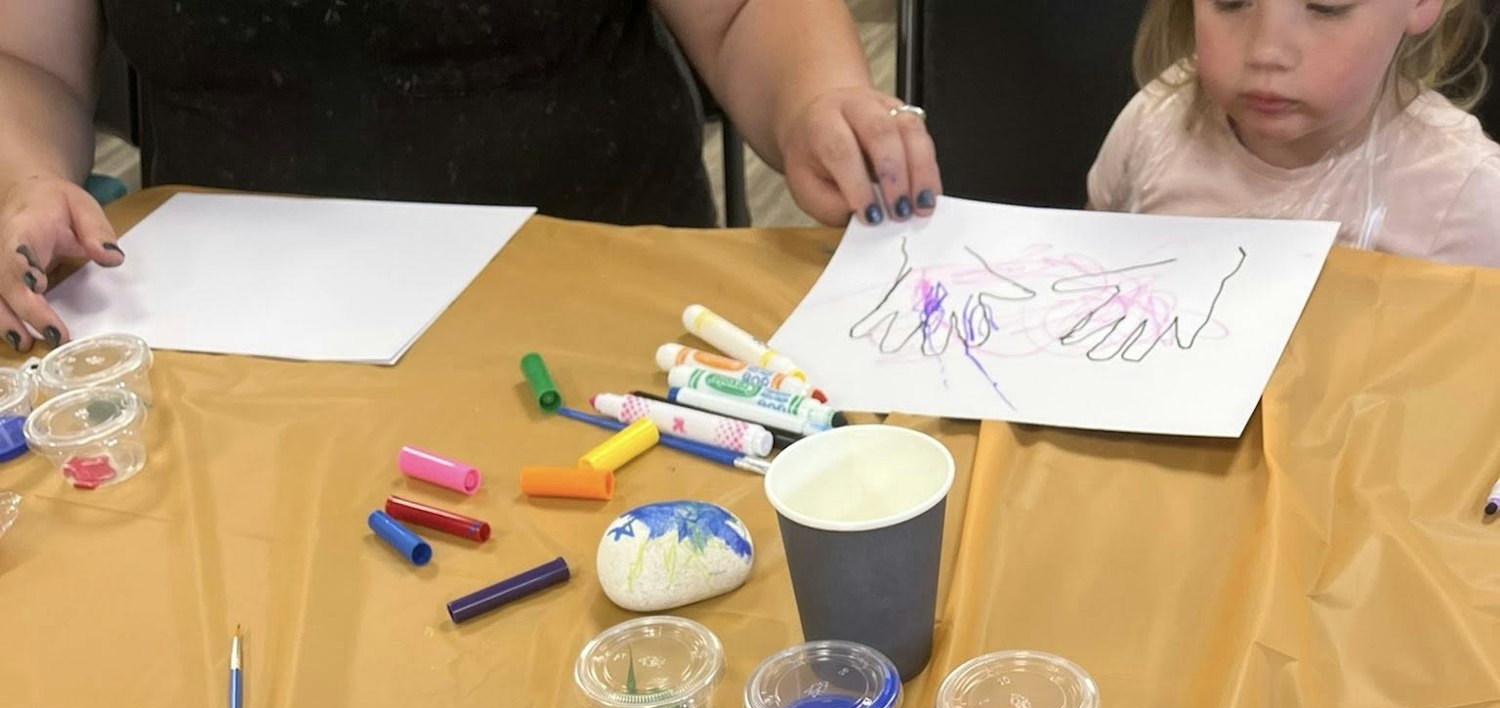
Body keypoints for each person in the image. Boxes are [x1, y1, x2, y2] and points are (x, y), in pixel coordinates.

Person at [0, 0, 943, 353]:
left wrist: (819, 96)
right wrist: (24, 179)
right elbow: (28, 60)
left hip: (592, 314)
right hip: (226, 345)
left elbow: (739, 15)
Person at [1089, 0, 1500, 266]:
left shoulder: (1468, 199)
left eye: (1326, 7)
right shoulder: (1155, 124)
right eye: (1231, 2)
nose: (1267, 52)